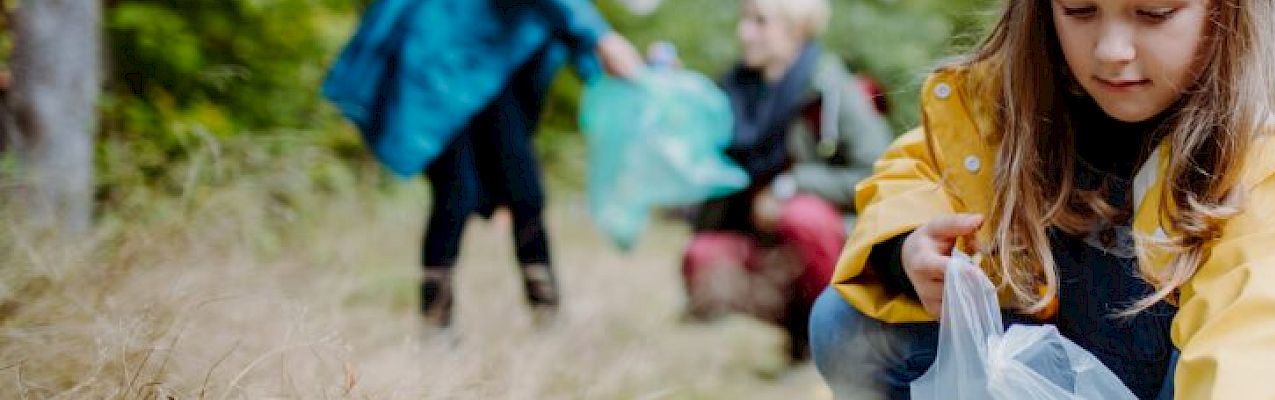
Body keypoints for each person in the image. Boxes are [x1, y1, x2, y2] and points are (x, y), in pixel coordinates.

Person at [807, 0, 1275, 398]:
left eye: (1153, 11)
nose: (1110, 50)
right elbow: (917, 168)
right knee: (841, 321)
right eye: (1080, 9)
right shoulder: (1013, 95)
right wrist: (907, 248)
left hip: (1190, 378)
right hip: (1053, 366)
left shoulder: (1264, 134)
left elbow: (1266, 314)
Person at [323, 0, 645, 331]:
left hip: (490, 66)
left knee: (526, 196)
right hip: (439, 54)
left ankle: (548, 316)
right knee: (456, 194)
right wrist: (602, 36)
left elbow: (555, 23)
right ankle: (437, 325)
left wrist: (614, 61)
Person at [680, 0, 894, 363]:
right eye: (744, 21)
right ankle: (799, 333)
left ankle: (843, 339)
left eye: (759, 22)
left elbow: (880, 173)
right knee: (702, 255)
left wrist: (791, 185)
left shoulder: (833, 89)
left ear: (796, 29)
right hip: (760, 240)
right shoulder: (734, 91)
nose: (744, 33)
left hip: (831, 238)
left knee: (802, 216)